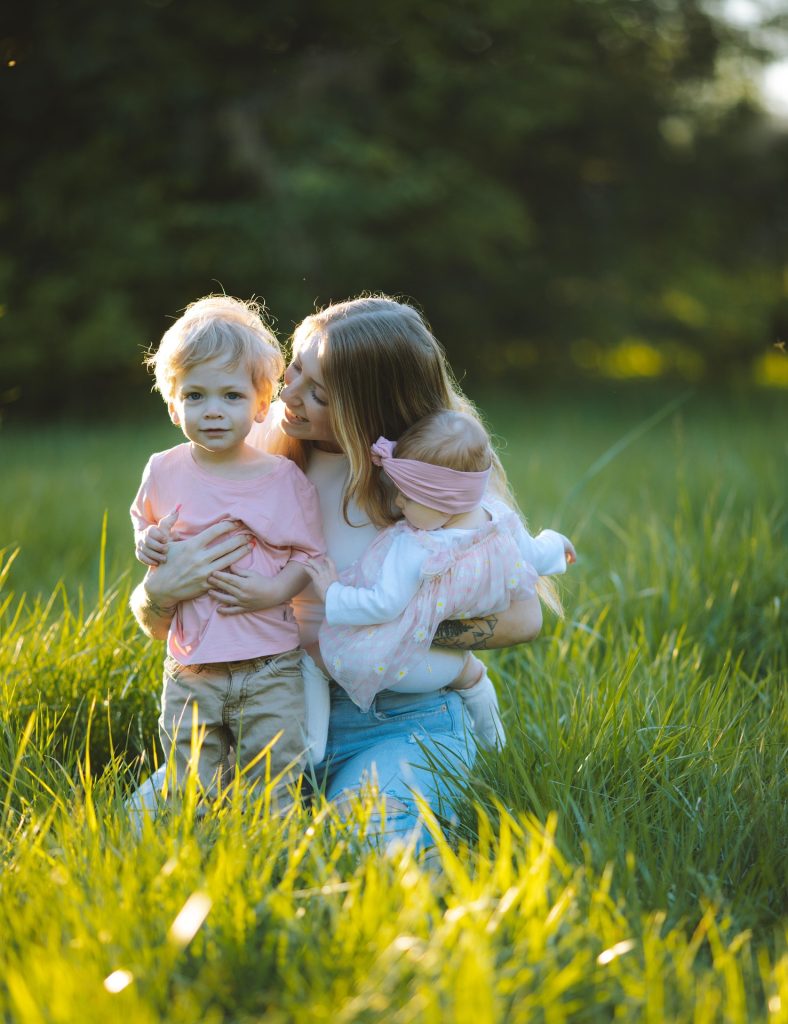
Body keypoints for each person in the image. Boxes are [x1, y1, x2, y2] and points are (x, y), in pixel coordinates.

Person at [129, 296, 546, 852]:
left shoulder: (435, 474)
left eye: (319, 393)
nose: (287, 394)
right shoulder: (257, 453)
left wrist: (384, 631)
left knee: (367, 847)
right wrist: (157, 594)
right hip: (268, 709)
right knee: (141, 831)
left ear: (371, 408)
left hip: (402, 721)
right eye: (296, 367)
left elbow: (523, 617)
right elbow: (164, 620)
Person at [130, 295, 325, 806]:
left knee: (275, 774)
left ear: (262, 405)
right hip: (192, 665)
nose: (213, 410)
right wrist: (147, 542)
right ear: (173, 405)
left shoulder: (282, 479)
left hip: (269, 664)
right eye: (195, 396)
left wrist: (271, 590)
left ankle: (272, 862)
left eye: (232, 397)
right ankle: (192, 863)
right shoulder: (163, 469)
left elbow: (309, 555)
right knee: (187, 782)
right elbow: (145, 522)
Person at [302, 409, 575, 750]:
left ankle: (310, 748)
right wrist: (559, 544)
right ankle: (496, 746)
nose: (399, 503)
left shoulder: (416, 546)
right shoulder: (500, 521)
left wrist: (333, 593)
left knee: (314, 660)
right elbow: (534, 554)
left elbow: (383, 604)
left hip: (400, 667)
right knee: (473, 676)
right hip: (446, 668)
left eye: (408, 497)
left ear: (443, 502)